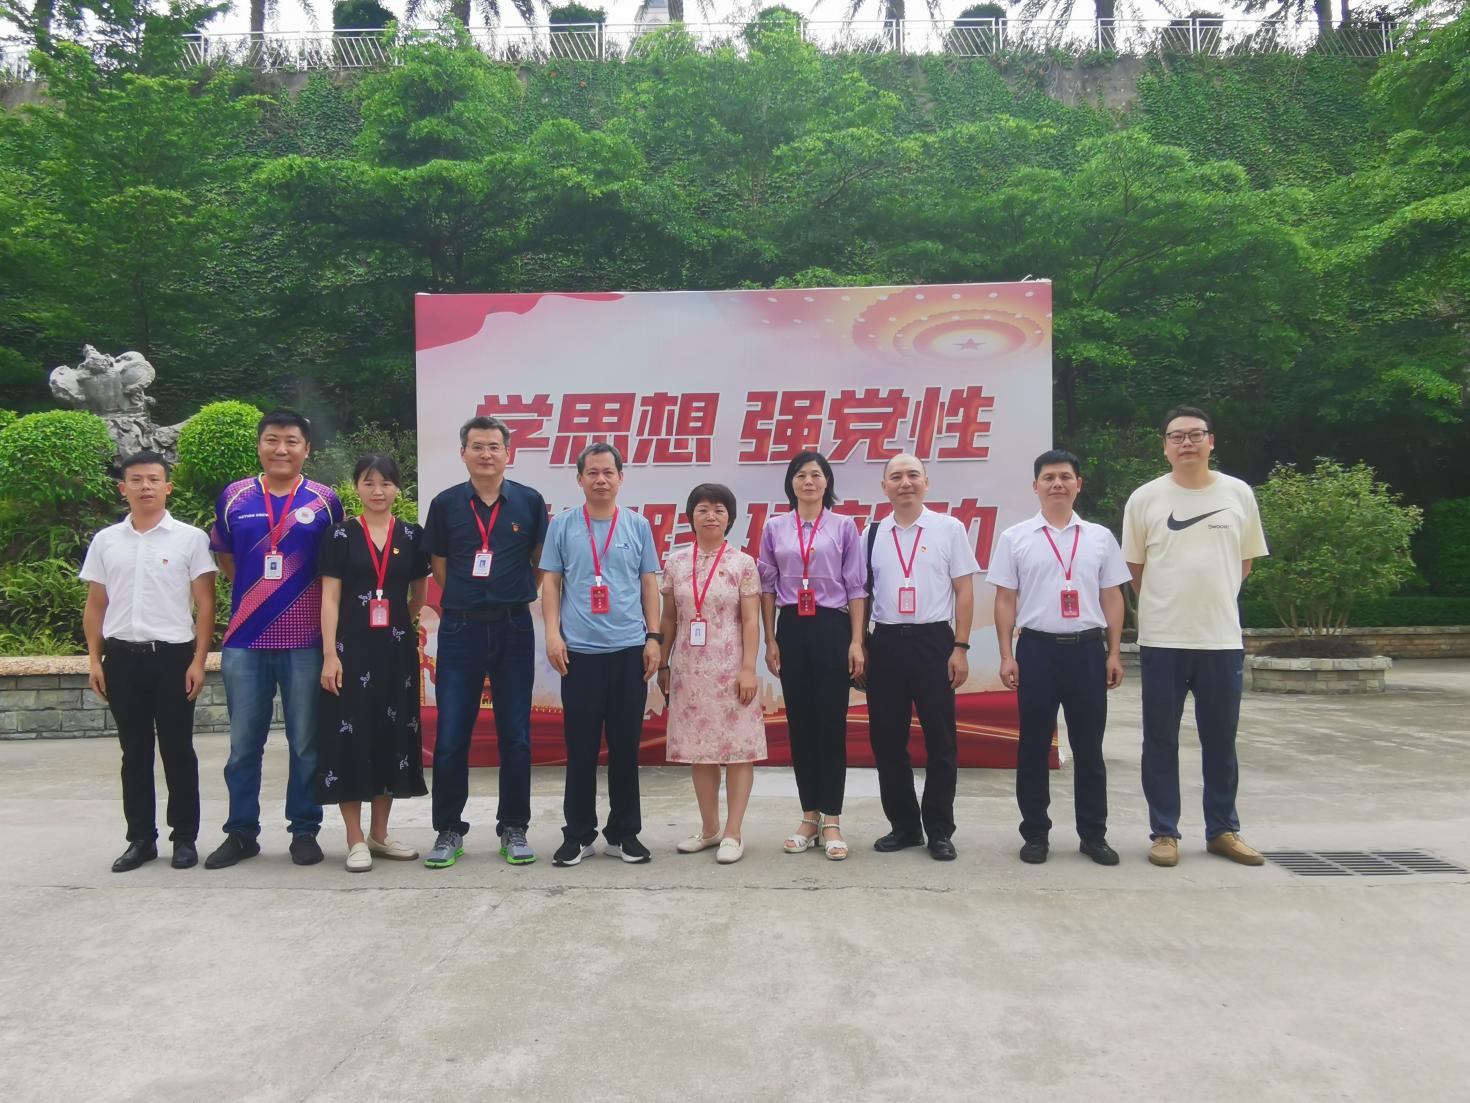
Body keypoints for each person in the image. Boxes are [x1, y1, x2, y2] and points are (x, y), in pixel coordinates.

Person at [1123, 405, 1269, 868]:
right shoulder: (1145, 498)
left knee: (1221, 741)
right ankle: (1165, 833)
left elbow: (1245, 562)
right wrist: (1167, 606)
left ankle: (1223, 830)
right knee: (1160, 741)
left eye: (1195, 434)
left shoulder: (1237, 493)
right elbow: (1134, 569)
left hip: (1220, 639)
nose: (1186, 442)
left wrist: (1213, 599)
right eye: (1177, 436)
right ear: (1164, 446)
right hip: (1163, 640)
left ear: (1211, 441)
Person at [204, 410, 344, 869]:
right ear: (259, 444)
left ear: (306, 448)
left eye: (291, 441)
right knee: (244, 745)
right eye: (272, 439)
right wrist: (259, 598)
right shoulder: (235, 496)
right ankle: (241, 833)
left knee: (305, 743)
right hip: (245, 640)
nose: (281, 449)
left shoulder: (325, 501)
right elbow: (226, 558)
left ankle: (304, 830)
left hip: (306, 640)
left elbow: (335, 570)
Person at [988, 450, 1131, 867]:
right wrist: (1006, 655)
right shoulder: (1015, 538)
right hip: (1036, 650)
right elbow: (1005, 599)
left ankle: (1093, 834)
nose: (1057, 484)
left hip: (1087, 651)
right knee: (1033, 746)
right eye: (1048, 477)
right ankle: (1035, 834)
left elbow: (1112, 597)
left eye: (1065, 477)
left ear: (1078, 485)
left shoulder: (1100, 537)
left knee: (1090, 748)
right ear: (1035, 486)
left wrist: (1114, 652)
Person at [421, 416, 548, 868]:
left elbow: (539, 561)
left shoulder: (529, 502)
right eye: (477, 446)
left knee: (516, 735)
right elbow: (439, 565)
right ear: (463, 453)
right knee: (452, 735)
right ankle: (448, 830)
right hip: (461, 630)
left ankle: (513, 827)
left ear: (508, 454)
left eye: (494, 446)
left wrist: (513, 592)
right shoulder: (446, 504)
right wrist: (468, 597)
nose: (486, 454)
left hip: (514, 628)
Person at [80, 451, 216, 872]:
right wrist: (95, 660)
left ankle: (184, 838)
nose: (145, 487)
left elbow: (206, 605)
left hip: (172, 658)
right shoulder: (106, 541)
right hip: (122, 658)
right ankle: (140, 839)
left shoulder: (190, 539)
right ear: (123, 488)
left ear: (167, 486)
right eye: (136, 480)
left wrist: (198, 661)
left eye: (154, 479)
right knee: (133, 752)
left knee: (178, 750)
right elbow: (95, 605)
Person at [539, 443, 662, 867]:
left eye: (608, 472)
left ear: (621, 478)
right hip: (579, 654)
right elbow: (551, 582)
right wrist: (552, 635)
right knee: (581, 749)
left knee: (626, 748)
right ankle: (578, 835)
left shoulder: (637, 525)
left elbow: (649, 583)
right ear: (580, 479)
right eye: (592, 472)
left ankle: (624, 834)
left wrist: (653, 637)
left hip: (629, 651)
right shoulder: (562, 525)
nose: (601, 479)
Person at [316, 454, 430, 872]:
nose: (378, 491)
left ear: (398, 487)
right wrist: (330, 653)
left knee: (390, 737)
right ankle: (354, 838)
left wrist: (400, 622)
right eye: (368, 483)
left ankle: (380, 835)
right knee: (349, 737)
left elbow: (418, 594)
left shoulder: (412, 535)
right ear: (356, 487)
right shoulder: (339, 535)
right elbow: (330, 597)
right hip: (350, 650)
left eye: (386, 483)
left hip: (396, 653)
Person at [865, 453, 980, 862]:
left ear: (926, 482)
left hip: (934, 641)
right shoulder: (871, 534)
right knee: (887, 740)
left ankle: (939, 829)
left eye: (913, 475)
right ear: (884, 487)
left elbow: (964, 590)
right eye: (896, 476)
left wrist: (960, 647)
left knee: (941, 739)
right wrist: (860, 644)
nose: (905, 483)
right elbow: (861, 594)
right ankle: (904, 826)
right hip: (886, 641)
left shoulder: (949, 528)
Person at [757, 451, 866, 861]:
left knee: (831, 725)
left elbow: (856, 587)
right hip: (792, 628)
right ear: (791, 483)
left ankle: (832, 819)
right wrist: (770, 639)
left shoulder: (844, 526)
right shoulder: (774, 527)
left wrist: (856, 641)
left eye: (816, 475)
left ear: (827, 482)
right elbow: (767, 586)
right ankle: (809, 816)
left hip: (832, 627)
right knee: (800, 726)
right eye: (801, 475)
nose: (808, 481)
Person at [657, 483, 766, 865]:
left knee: (737, 752)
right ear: (691, 516)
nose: (711, 516)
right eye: (703, 509)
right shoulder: (676, 562)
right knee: (699, 752)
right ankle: (709, 829)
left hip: (732, 671)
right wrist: (663, 662)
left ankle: (733, 832)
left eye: (719, 510)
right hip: (690, 671)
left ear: (730, 518)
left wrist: (749, 669)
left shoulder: (742, 563)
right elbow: (669, 619)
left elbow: (750, 621)